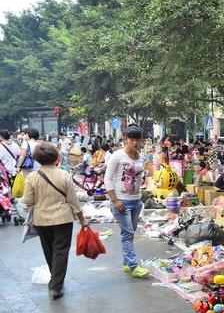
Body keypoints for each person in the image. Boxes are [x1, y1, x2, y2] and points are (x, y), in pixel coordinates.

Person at [22, 142, 88, 300]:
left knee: (49, 250)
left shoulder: (32, 177)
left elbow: (28, 201)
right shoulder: (64, 175)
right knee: (61, 251)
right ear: (56, 157)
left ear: (37, 159)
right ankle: (56, 285)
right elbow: (74, 201)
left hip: (41, 220)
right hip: (63, 219)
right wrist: (82, 220)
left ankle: (55, 281)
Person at [104, 124, 149, 278]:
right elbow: (107, 179)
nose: (135, 143)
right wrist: (115, 200)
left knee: (130, 232)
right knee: (128, 233)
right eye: (132, 139)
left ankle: (126, 263)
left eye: (138, 139)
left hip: (136, 201)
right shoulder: (117, 156)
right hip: (121, 201)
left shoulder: (141, 157)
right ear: (126, 139)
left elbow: (141, 177)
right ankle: (133, 265)